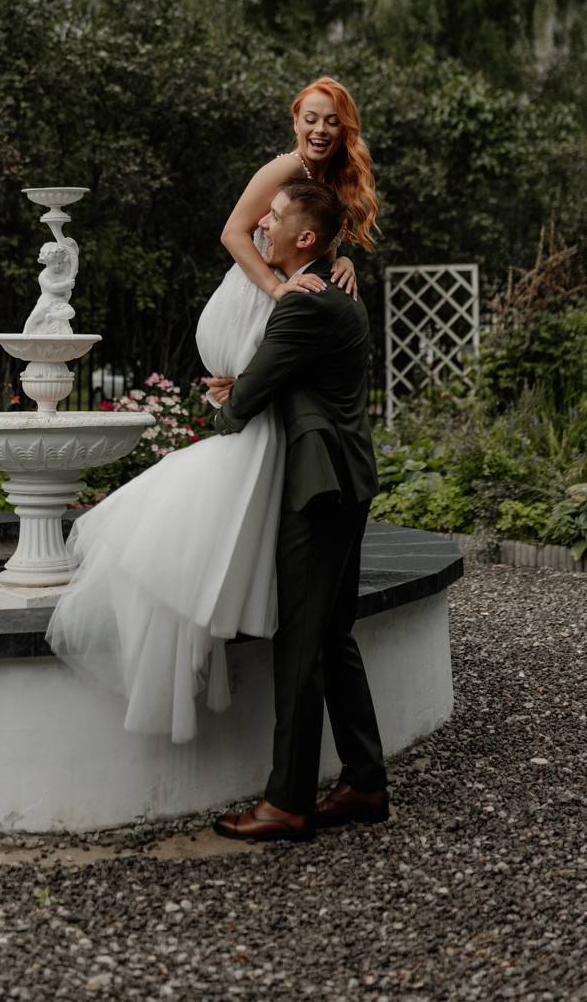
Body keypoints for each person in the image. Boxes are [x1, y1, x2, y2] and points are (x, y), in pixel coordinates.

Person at [45, 77, 379, 744]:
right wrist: (277, 288)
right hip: (261, 288)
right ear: (295, 120)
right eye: (310, 118)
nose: (319, 131)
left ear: (345, 131)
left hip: (291, 294)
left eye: (331, 122)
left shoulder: (330, 184)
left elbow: (314, 240)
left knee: (261, 428)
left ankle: (248, 554)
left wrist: (341, 265)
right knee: (252, 420)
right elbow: (235, 231)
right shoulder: (284, 168)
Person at [209, 179, 387, 842]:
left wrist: (226, 399)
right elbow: (298, 378)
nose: (263, 222)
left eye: (276, 216)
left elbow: (243, 404)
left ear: (304, 238)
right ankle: (364, 781)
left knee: (302, 642)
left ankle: (287, 802)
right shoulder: (334, 295)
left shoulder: (303, 302)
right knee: (332, 634)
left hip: (317, 488)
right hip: (345, 479)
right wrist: (249, 382)